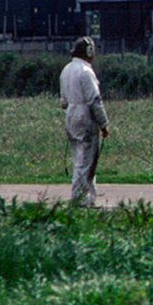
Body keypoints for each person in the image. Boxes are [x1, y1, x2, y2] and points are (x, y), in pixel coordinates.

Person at [59, 36, 110, 206]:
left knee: (78, 159)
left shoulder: (66, 70)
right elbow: (95, 100)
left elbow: (63, 102)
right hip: (84, 116)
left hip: (70, 115)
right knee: (86, 161)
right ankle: (80, 199)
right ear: (89, 52)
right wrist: (103, 124)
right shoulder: (86, 72)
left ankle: (87, 197)